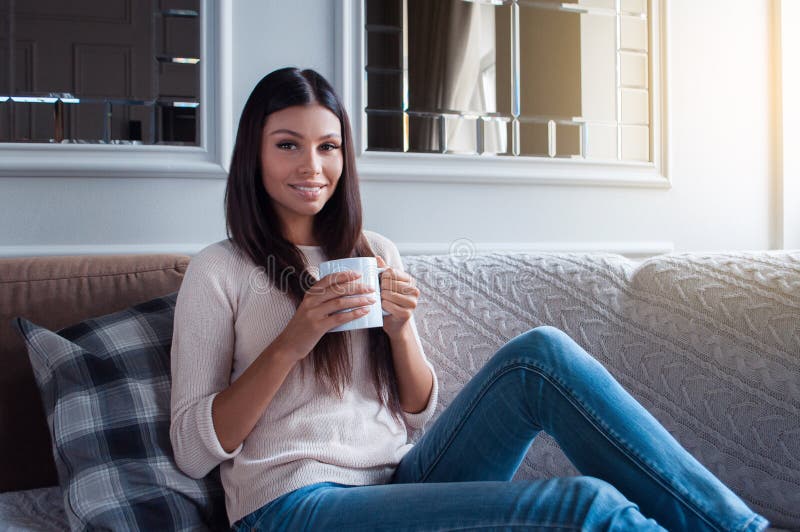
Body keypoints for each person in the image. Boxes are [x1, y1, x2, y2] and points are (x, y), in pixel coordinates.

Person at [169, 67, 769, 532]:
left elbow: (417, 412)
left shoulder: (372, 250)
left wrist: (401, 330)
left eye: (329, 147)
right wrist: (293, 341)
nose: (313, 166)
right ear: (254, 152)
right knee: (584, 504)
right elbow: (193, 450)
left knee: (541, 354)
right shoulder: (220, 270)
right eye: (288, 145)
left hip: (401, 480)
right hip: (292, 506)